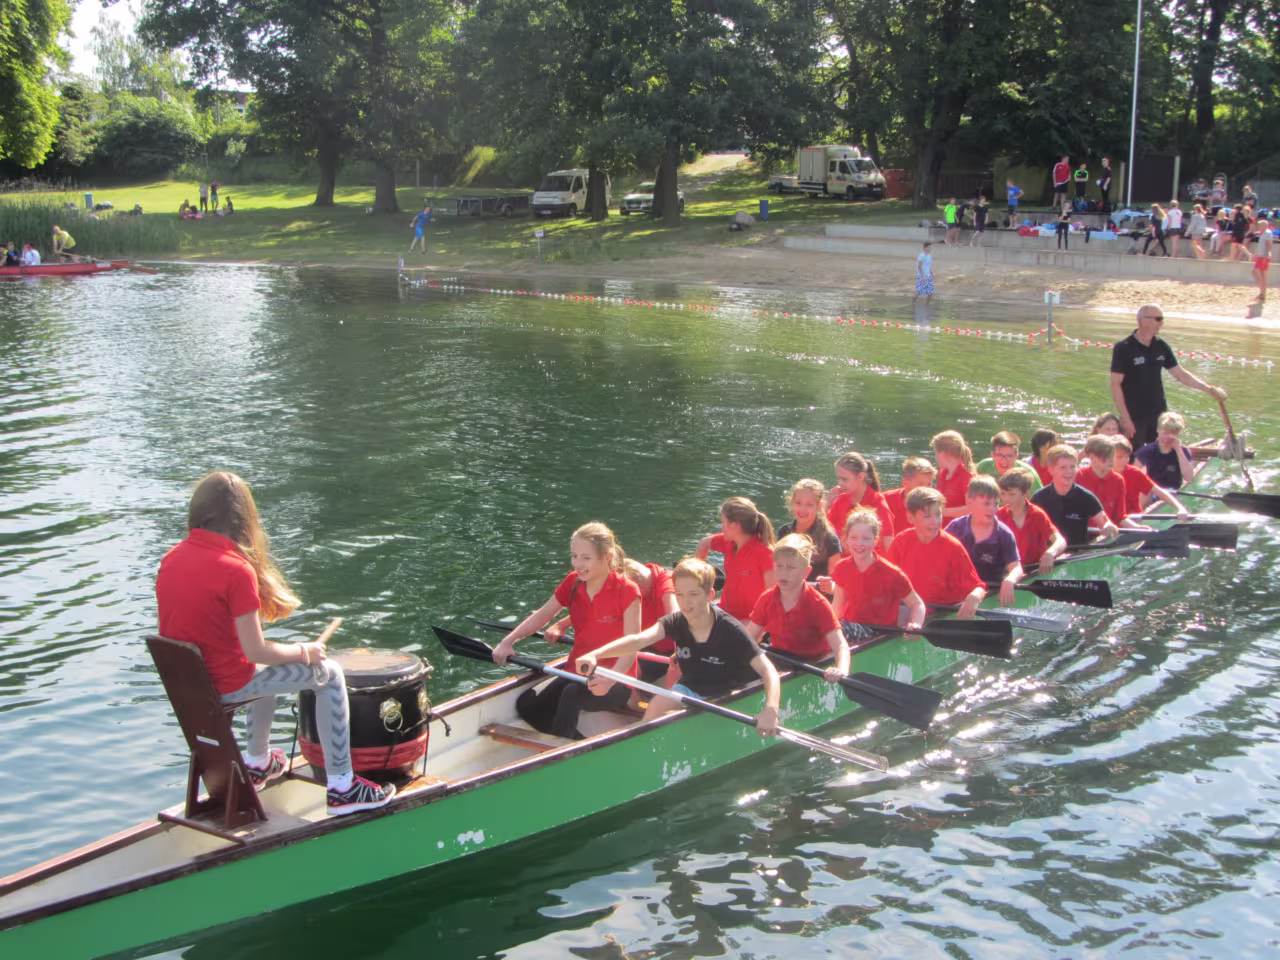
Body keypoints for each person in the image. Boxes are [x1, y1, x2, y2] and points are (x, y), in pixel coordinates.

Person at [155, 471, 395, 816]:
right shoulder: (236, 570)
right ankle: (344, 786)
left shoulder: (171, 558)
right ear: (244, 520)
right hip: (227, 686)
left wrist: (287, 655)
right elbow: (255, 651)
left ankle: (259, 763)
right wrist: (305, 652)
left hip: (191, 688)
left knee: (268, 666)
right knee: (328, 673)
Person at [577, 557, 780, 735]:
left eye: (693, 594)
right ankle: (647, 749)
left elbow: (767, 670)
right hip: (692, 688)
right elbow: (638, 640)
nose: (685, 603)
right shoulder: (675, 621)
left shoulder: (730, 630)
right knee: (657, 704)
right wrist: (596, 654)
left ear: (710, 595)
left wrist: (771, 710)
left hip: (729, 690)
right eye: (680, 595)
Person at [493, 522, 641, 739]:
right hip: (578, 670)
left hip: (616, 679)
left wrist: (610, 680)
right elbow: (544, 614)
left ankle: (558, 752)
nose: (577, 564)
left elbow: (632, 647)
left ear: (607, 557)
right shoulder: (573, 582)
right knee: (526, 705)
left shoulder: (627, 590)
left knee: (571, 694)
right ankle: (576, 743)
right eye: (574, 556)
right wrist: (509, 641)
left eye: (586, 558)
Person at [1109, 304, 1226, 446]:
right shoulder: (1123, 348)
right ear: (1142, 320)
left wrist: (1209, 389)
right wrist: (1126, 419)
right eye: (1157, 319)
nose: (1161, 323)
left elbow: (1181, 375)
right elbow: (1115, 385)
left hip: (1158, 414)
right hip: (1134, 415)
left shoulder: (1161, 346)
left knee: (1159, 454)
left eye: (1162, 319)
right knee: (1134, 458)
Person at [745, 535, 848, 683]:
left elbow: (840, 646)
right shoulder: (766, 599)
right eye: (779, 566)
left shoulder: (818, 604)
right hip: (779, 656)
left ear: (807, 572)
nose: (783, 573)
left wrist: (841, 670)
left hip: (809, 662)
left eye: (791, 567)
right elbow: (749, 639)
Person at [887, 487, 986, 619]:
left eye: (938, 514)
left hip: (941, 614)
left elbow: (978, 587)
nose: (935, 522)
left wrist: (974, 597)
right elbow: (885, 582)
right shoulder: (900, 542)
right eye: (927, 517)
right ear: (910, 517)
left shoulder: (953, 547)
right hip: (911, 610)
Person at [828, 509, 926, 630]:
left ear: (875, 541)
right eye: (854, 538)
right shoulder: (841, 567)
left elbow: (917, 604)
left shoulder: (892, 574)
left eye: (866, 539)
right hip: (851, 627)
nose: (859, 543)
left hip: (880, 632)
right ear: (846, 539)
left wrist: (916, 624)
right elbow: (837, 608)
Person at [945, 476, 1024, 606]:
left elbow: (1017, 568)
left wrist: (1010, 580)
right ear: (969, 500)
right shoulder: (955, 527)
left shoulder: (1004, 535)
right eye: (987, 503)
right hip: (957, 594)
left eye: (996, 504)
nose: (992, 509)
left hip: (988, 594)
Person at [695, 497, 775, 622]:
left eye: (723, 523)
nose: (722, 527)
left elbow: (773, 596)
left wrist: (755, 623)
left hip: (750, 622)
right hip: (725, 614)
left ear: (734, 526)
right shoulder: (729, 542)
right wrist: (699, 578)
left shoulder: (765, 553)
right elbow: (703, 544)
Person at [1030, 444, 1118, 545]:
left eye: (1072, 467)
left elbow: (1105, 522)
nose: (1069, 472)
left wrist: (1108, 526)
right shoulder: (1039, 499)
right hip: (1048, 555)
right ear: (1050, 470)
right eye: (1063, 467)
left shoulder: (1086, 497)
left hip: (1078, 554)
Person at [996, 466, 1067, 575]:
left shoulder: (1037, 515)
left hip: (1033, 572)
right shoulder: (998, 516)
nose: (1006, 499)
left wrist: (1050, 553)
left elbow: (1060, 541)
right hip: (1008, 573)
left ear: (1026, 493)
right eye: (1003, 494)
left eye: (1012, 494)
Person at [826, 452, 894, 554]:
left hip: (871, 564)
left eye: (844, 479)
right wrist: (826, 504)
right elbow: (824, 530)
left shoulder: (878, 503)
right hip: (844, 563)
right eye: (839, 478)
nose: (840, 483)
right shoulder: (841, 500)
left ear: (861, 477)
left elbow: (888, 541)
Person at [1112, 436, 1190, 520]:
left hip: (1133, 520)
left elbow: (1160, 492)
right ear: (1109, 456)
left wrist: (1180, 508)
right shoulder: (1102, 473)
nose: (1124, 461)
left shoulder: (1135, 473)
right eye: (1119, 457)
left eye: (1127, 457)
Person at [777, 478, 841, 580]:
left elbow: (836, 579)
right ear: (792, 502)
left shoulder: (829, 538)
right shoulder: (784, 532)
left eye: (809, 505)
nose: (802, 509)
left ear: (818, 506)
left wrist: (829, 585)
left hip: (817, 594)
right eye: (798, 503)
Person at [1075, 435, 1144, 529]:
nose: (1110, 461)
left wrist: (1138, 528)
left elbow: (1120, 517)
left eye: (1112, 456)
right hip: (1081, 534)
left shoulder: (1118, 480)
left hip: (1107, 534)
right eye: (1105, 457)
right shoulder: (1077, 477)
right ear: (1092, 457)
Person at [1134, 411, 1195, 490]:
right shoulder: (1147, 451)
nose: (1167, 438)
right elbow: (1133, 473)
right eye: (1165, 433)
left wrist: (1178, 449)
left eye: (1172, 434)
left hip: (1173, 490)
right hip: (1153, 490)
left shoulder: (1182, 451)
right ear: (1158, 430)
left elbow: (1189, 478)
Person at [883, 457, 936, 536]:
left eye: (929, 484)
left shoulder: (935, 505)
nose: (926, 490)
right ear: (905, 483)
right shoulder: (885, 500)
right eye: (920, 484)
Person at [977, 430, 1042, 492]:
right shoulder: (983, 467)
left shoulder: (1028, 474)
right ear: (993, 455)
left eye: (1009, 456)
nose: (1004, 460)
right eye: (1000, 455)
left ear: (1016, 456)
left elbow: (1039, 500)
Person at [931, 429, 975, 518]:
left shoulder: (967, 475)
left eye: (935, 453)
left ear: (942, 454)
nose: (935, 457)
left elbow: (972, 509)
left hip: (959, 529)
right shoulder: (943, 473)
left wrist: (942, 512)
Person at [1254, 217, 1272, 301]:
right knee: (1259, 273)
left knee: (1261, 274)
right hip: (1261, 256)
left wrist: (1267, 255)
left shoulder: (1267, 233)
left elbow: (1268, 245)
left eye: (1260, 225)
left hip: (1263, 256)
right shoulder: (1264, 233)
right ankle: (1262, 292)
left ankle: (1262, 292)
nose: (1259, 227)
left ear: (1264, 225)